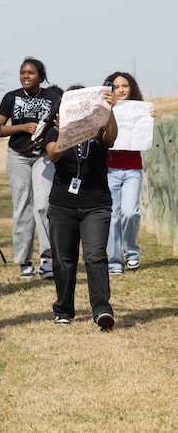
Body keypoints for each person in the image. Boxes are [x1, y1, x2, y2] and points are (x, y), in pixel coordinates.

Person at [42, 86, 117, 330]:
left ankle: (102, 309)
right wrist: (66, 130)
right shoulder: (54, 130)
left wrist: (110, 112)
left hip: (96, 204)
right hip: (63, 204)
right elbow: (53, 155)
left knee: (95, 256)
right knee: (64, 260)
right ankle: (63, 309)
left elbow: (111, 138)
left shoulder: (98, 127)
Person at [0, 57, 60, 280]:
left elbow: (61, 124)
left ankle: (46, 259)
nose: (25, 76)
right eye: (23, 72)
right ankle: (24, 260)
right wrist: (21, 127)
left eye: (31, 73)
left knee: (43, 204)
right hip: (18, 157)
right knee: (22, 205)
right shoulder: (11, 97)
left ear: (41, 77)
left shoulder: (53, 98)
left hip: (43, 156)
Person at [104, 72, 152, 274]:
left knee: (130, 212)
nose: (121, 89)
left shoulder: (140, 110)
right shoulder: (104, 109)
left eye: (125, 85)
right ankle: (114, 261)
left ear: (131, 88)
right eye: (116, 86)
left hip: (133, 168)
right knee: (113, 215)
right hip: (110, 169)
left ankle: (131, 252)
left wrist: (149, 120)